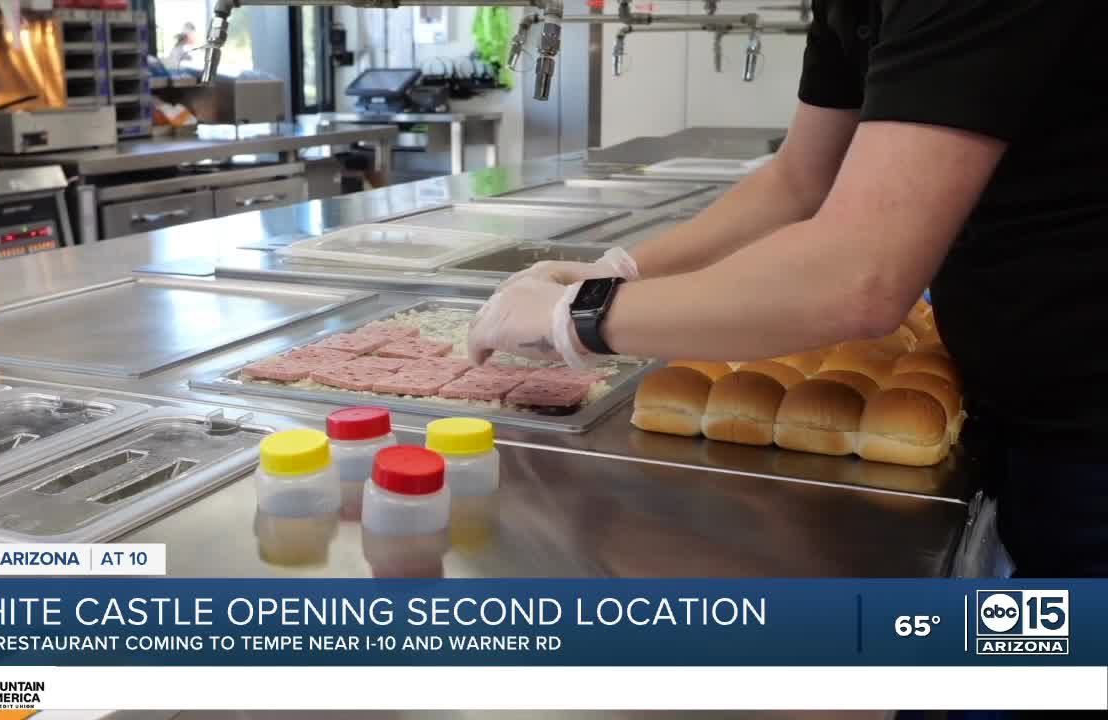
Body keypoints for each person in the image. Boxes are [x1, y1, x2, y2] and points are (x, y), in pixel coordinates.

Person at [468, 0, 1108, 579]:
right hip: (1019, 387)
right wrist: (615, 272)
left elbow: (863, 275)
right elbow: (801, 181)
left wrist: (579, 317)